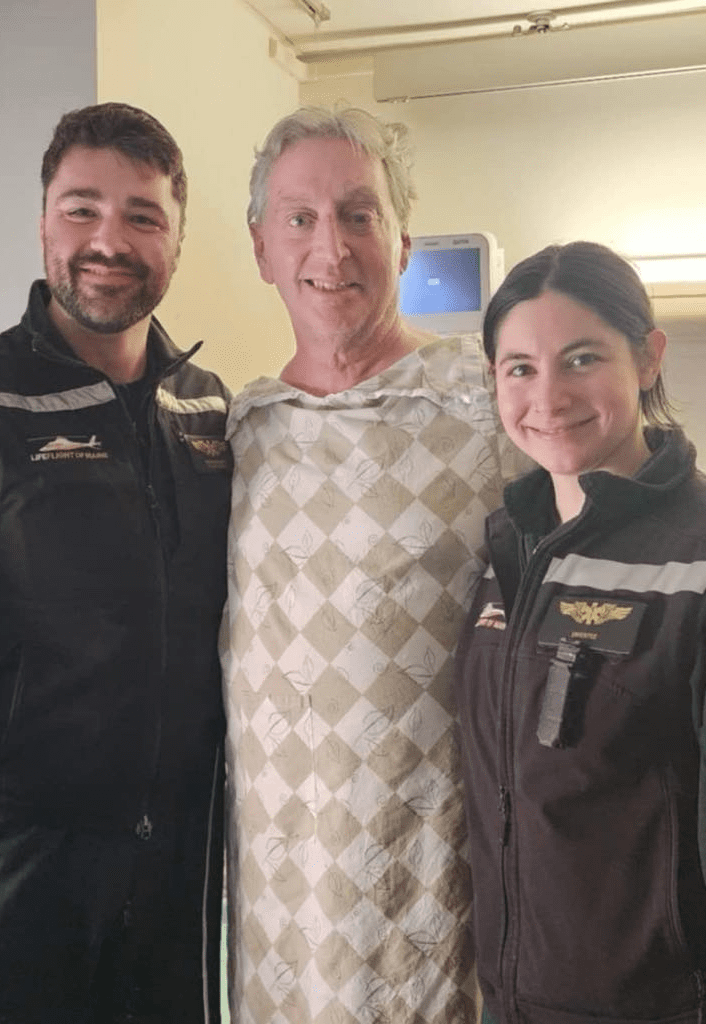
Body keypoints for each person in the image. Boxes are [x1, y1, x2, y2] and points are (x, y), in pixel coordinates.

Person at [0, 102, 231, 1024]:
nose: (108, 241)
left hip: (177, 874)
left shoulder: (208, 411)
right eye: (81, 209)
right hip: (7, 861)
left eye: (142, 216)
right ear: (43, 220)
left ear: (176, 237)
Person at [222, 106, 517, 1024]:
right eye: (300, 218)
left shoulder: (489, 406)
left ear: (401, 240)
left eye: (358, 214)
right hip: (278, 904)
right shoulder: (238, 433)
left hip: (436, 884)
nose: (332, 247)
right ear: (263, 246)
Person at [456, 240, 706, 1024]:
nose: (548, 395)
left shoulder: (692, 555)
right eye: (519, 367)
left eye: (581, 358)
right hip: (510, 999)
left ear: (647, 357)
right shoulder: (506, 546)